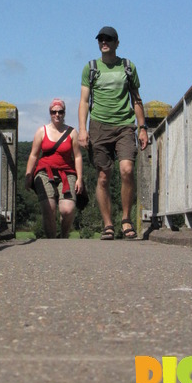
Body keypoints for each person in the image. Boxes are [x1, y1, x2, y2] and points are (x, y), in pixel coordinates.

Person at [78, 26, 148, 240]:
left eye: (108, 39)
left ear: (117, 43)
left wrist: (142, 127)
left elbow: (136, 99)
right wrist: (82, 128)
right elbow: (83, 101)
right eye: (101, 39)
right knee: (103, 176)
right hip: (99, 126)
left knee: (127, 170)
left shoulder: (127, 67)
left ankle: (126, 220)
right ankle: (108, 224)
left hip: (125, 125)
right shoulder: (90, 68)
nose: (104, 42)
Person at [25, 99, 83, 239]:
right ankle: (52, 241)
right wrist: (28, 175)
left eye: (60, 112)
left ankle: (63, 236)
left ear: (64, 113)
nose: (57, 115)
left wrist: (79, 179)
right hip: (44, 172)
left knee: (67, 210)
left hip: (66, 173)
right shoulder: (41, 132)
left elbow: (78, 157)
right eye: (54, 112)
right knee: (49, 208)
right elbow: (34, 155)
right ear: (50, 113)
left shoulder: (72, 132)